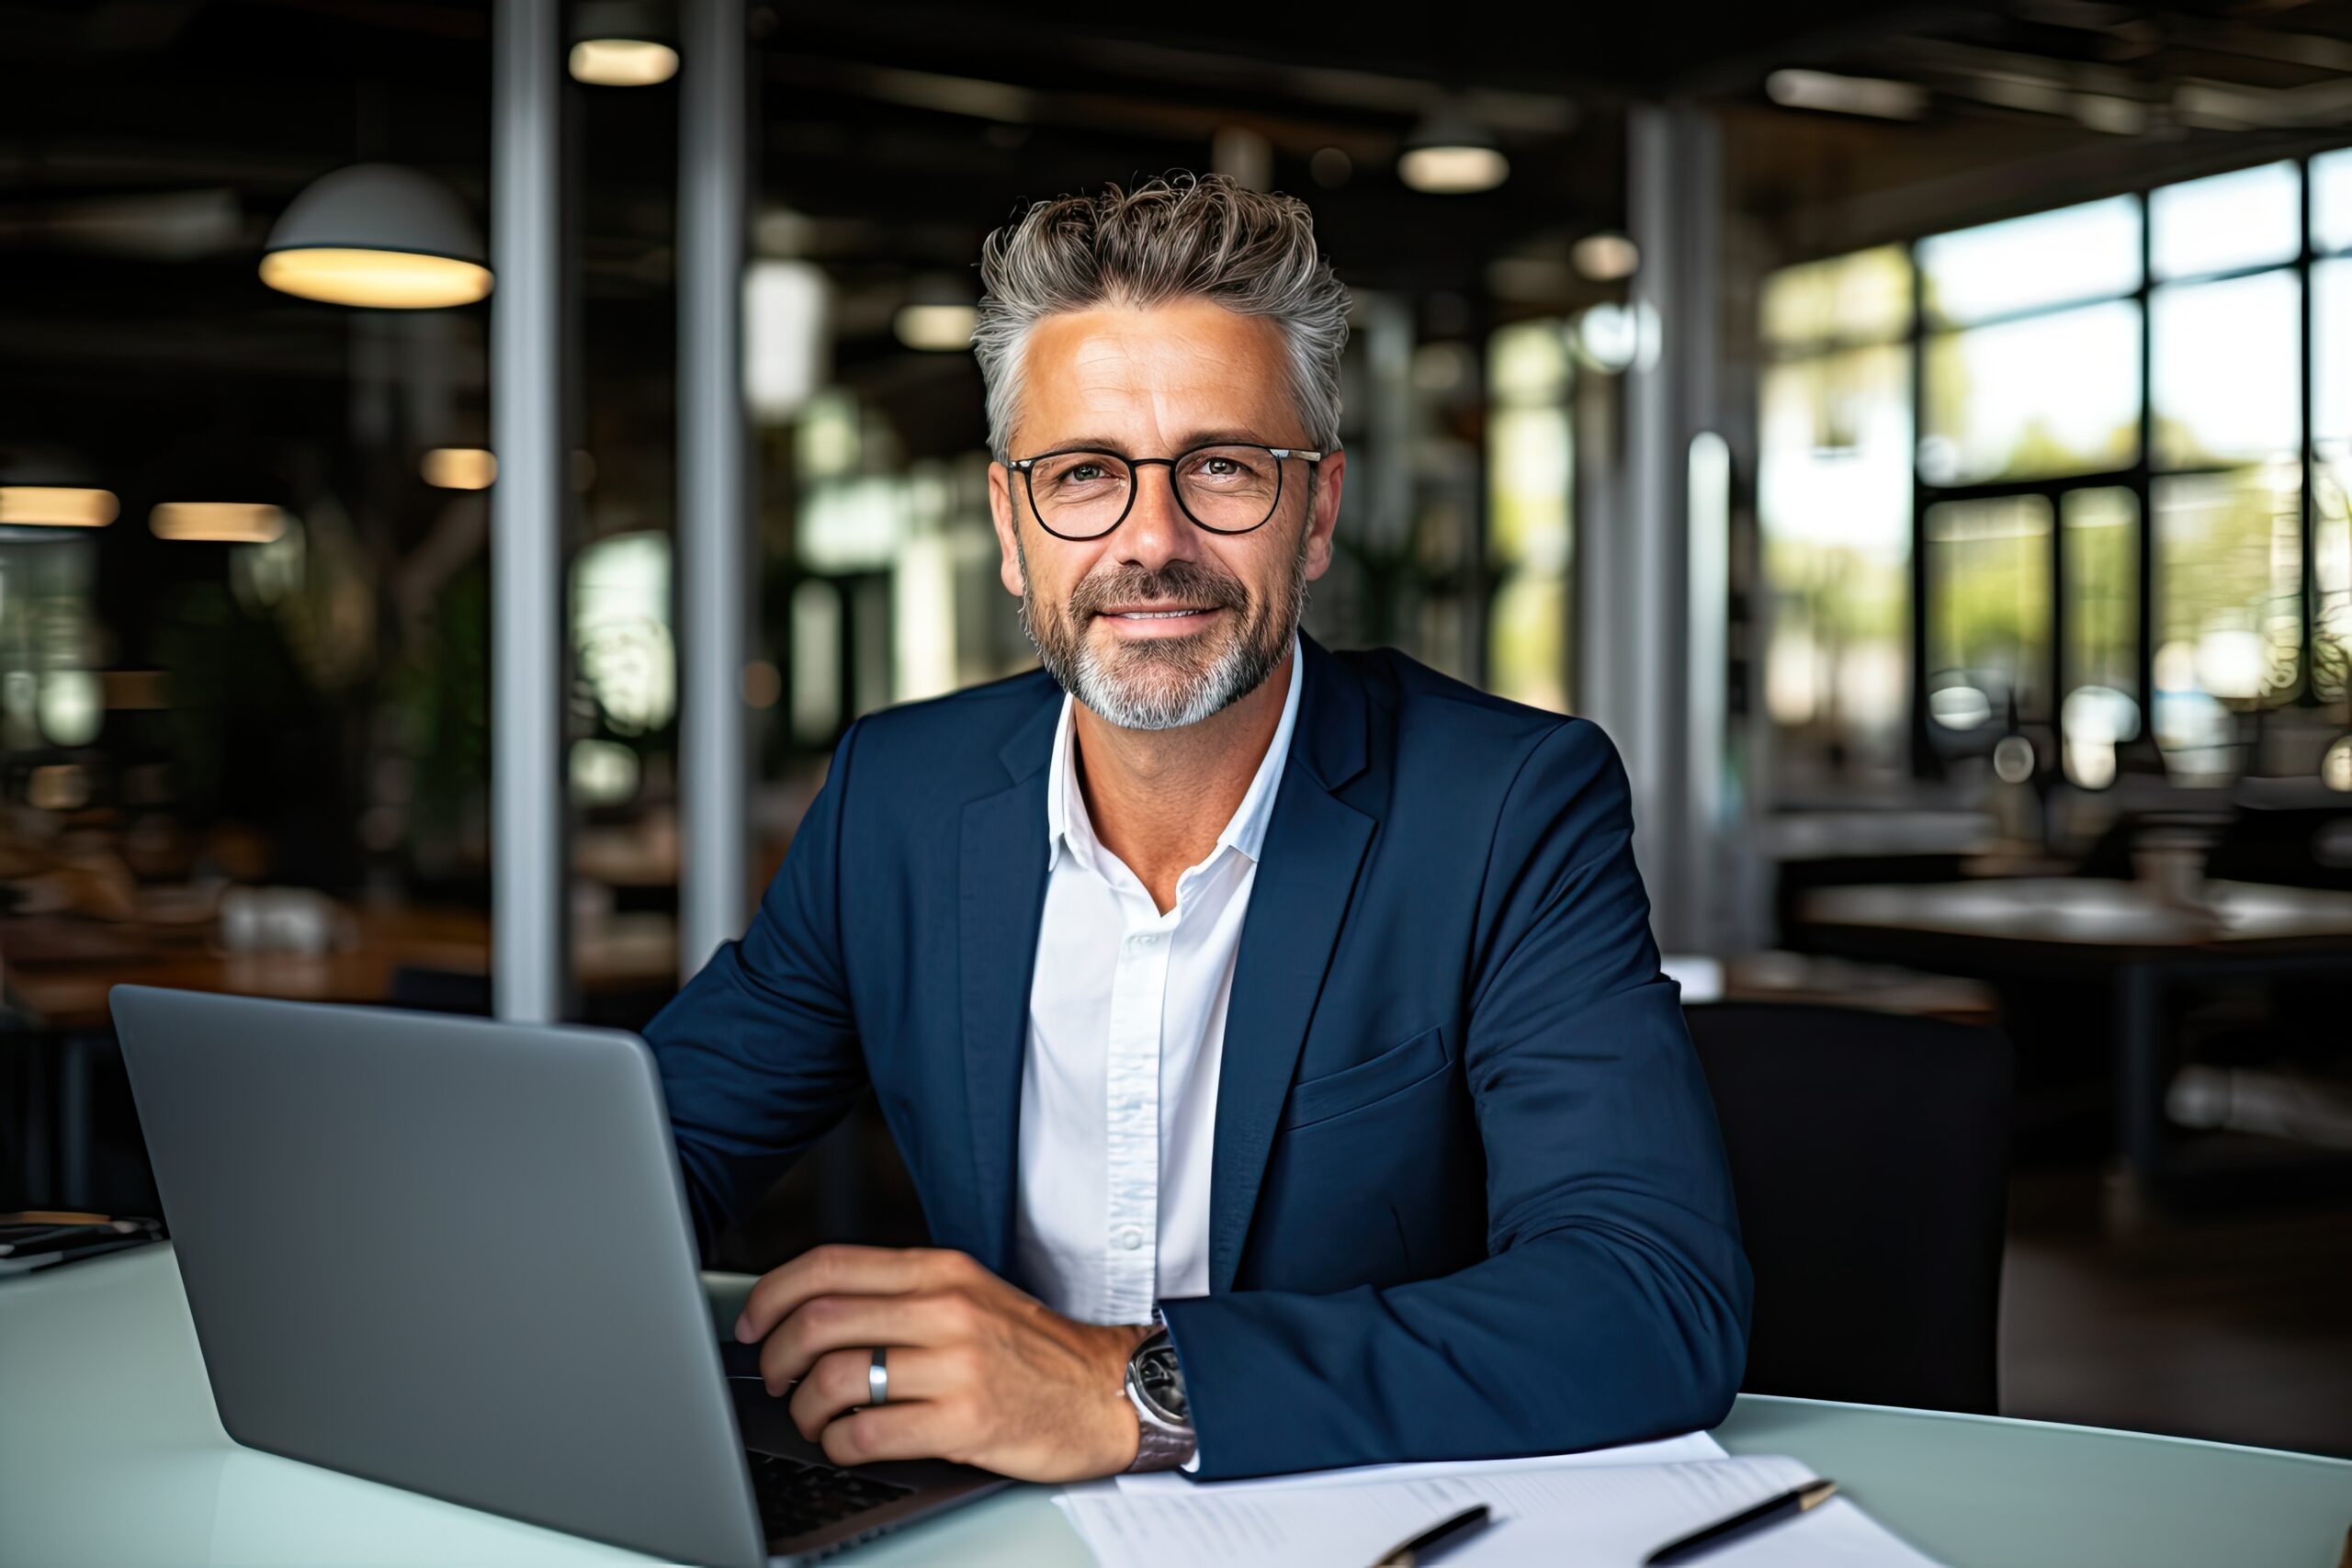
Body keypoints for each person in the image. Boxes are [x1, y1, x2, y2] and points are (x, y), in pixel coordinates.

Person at [643, 173, 1750, 1484]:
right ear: (1010, 525)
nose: (1151, 541)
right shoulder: (901, 797)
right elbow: (658, 1149)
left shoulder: (1507, 806)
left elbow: (1649, 1300)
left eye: (1222, 467)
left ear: (1319, 512)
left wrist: (1136, 1392)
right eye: (1083, 474)